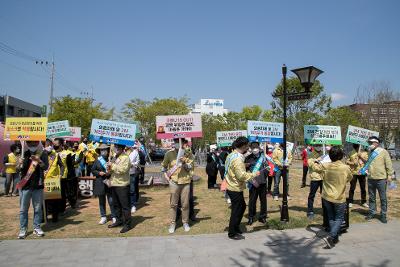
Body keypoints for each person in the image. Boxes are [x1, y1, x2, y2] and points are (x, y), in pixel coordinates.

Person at [225, 137, 260, 240]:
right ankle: (232, 232)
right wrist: (254, 174)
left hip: (232, 185)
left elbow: (233, 168)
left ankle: (235, 227)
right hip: (234, 187)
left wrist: (243, 165)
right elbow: (241, 176)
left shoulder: (232, 155)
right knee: (237, 210)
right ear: (244, 146)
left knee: (242, 207)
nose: (248, 148)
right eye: (248, 146)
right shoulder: (237, 159)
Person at [321, 146, 353, 249]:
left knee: (331, 216)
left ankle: (334, 237)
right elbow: (350, 178)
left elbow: (313, 167)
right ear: (341, 156)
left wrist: (314, 160)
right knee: (339, 217)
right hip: (339, 197)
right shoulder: (345, 167)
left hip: (326, 196)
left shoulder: (325, 165)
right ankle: (331, 236)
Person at [161, 138, 194, 234]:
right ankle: (172, 223)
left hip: (185, 182)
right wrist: (165, 176)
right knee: (173, 204)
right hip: (174, 182)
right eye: (176, 142)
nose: (177, 144)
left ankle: (185, 222)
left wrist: (184, 162)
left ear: (184, 144)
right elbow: (163, 167)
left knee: (185, 204)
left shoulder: (189, 154)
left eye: (180, 142)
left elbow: (190, 168)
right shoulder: (169, 154)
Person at [18, 141, 49, 239]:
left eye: (34, 142)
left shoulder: (43, 153)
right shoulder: (24, 153)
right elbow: (18, 169)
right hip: (25, 185)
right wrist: (19, 164)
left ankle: (37, 227)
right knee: (23, 209)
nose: (32, 144)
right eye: (29, 142)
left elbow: (45, 167)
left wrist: (39, 161)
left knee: (37, 208)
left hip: (38, 185)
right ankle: (23, 229)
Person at [362, 136, 395, 223]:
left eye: (371, 143)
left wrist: (390, 175)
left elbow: (388, 164)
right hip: (371, 178)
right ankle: (372, 212)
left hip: (381, 179)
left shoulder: (383, 152)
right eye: (369, 143)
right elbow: (369, 164)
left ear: (377, 143)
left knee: (383, 198)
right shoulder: (369, 152)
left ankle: (383, 214)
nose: (370, 144)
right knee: (372, 198)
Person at [107, 144, 132, 233]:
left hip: (122, 185)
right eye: (115, 147)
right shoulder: (114, 156)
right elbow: (111, 168)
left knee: (125, 206)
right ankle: (118, 220)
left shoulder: (125, 158)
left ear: (121, 148)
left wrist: (112, 166)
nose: (115, 149)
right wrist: (108, 166)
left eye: (117, 147)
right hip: (114, 183)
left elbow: (122, 170)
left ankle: (127, 224)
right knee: (116, 205)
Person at [91, 144, 116, 225]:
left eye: (105, 149)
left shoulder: (111, 159)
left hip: (109, 182)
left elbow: (115, 170)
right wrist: (99, 173)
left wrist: (110, 170)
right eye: (102, 150)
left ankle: (114, 216)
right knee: (101, 201)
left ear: (108, 150)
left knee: (111, 200)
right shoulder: (97, 160)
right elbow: (93, 170)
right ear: (100, 151)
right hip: (100, 182)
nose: (103, 151)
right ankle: (103, 217)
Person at [245, 141, 268, 225]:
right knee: (252, 201)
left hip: (262, 182)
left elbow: (267, 168)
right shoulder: (248, 158)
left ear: (259, 148)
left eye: (256, 148)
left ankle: (263, 217)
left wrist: (264, 177)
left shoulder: (264, 157)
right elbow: (246, 171)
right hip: (253, 183)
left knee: (263, 201)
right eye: (253, 148)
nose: (255, 150)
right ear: (250, 149)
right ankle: (251, 217)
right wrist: (251, 180)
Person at [44, 138, 65, 222]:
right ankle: (43, 217)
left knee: (54, 201)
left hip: (54, 180)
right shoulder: (40, 154)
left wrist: (60, 174)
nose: (49, 147)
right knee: (44, 201)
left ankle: (55, 218)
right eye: (47, 145)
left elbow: (62, 165)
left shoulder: (55, 155)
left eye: (50, 145)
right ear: (43, 146)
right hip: (44, 180)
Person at [346, 144, 368, 208]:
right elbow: (346, 161)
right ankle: (350, 201)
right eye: (355, 145)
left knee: (363, 188)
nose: (356, 146)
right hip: (353, 173)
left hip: (362, 172)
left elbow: (366, 162)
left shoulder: (364, 153)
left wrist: (360, 157)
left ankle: (363, 201)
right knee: (352, 188)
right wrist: (352, 163)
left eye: (357, 145)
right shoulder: (350, 153)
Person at [306, 145, 324, 219]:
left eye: (319, 145)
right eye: (317, 145)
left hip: (323, 177)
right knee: (312, 195)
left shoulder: (324, 154)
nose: (318, 147)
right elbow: (311, 165)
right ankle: (310, 211)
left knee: (325, 195)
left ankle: (325, 210)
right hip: (315, 178)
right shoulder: (310, 155)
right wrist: (317, 160)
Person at [129, 143, 141, 213]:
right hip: (123, 174)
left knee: (132, 190)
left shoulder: (135, 152)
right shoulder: (122, 151)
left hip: (131, 173)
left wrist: (132, 165)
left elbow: (137, 162)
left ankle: (133, 205)